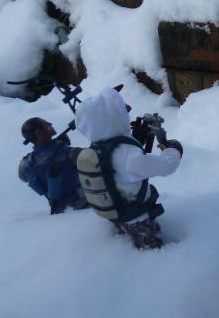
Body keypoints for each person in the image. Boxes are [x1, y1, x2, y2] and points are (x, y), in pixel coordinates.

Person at [74, 87, 183, 250]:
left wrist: (135, 139)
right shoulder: (128, 155)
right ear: (110, 118)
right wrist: (173, 149)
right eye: (121, 109)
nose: (127, 110)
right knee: (153, 252)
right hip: (139, 220)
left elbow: (121, 166)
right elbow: (166, 166)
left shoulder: (98, 146)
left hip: (119, 214)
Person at [18, 117, 87, 214]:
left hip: (58, 211)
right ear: (38, 133)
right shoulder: (69, 153)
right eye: (46, 125)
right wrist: (60, 148)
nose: (50, 124)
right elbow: (93, 158)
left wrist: (56, 145)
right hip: (85, 206)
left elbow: (24, 177)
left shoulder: (26, 165)